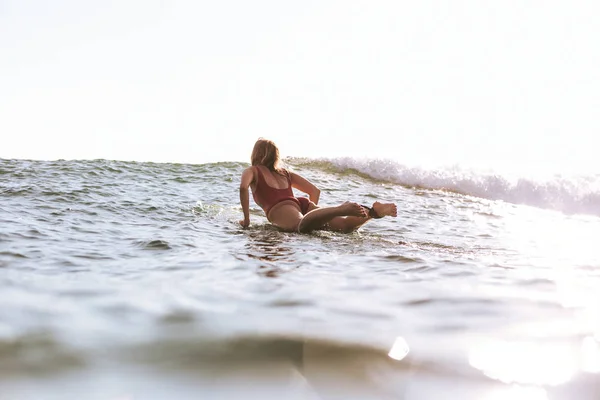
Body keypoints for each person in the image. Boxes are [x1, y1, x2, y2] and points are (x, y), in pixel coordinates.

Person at [239, 138, 397, 233]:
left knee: (299, 227)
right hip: (301, 205)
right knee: (344, 227)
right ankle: (375, 212)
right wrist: (316, 219)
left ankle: (341, 208)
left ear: (256, 154)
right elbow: (314, 191)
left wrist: (246, 219)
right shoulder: (285, 173)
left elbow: (243, 188)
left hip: (281, 209)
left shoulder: (252, 170)